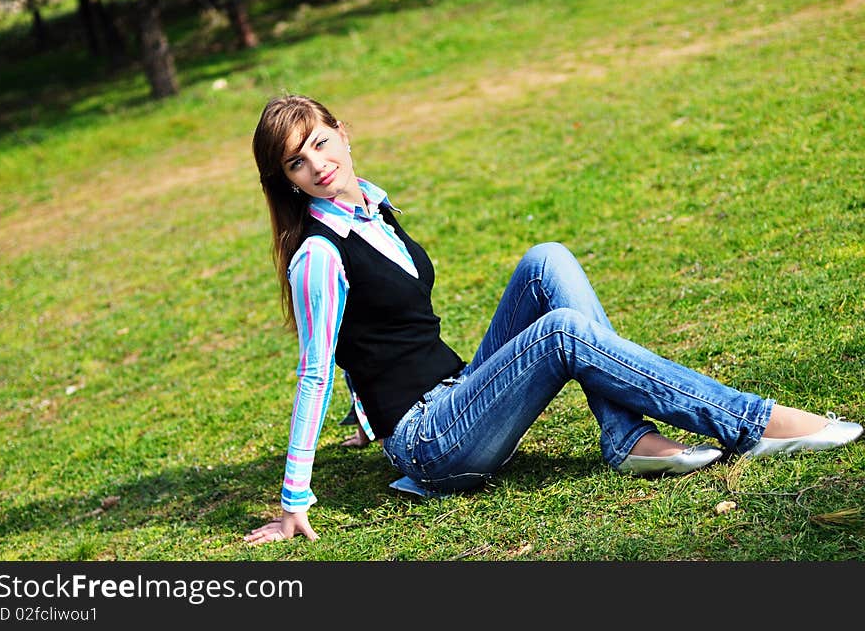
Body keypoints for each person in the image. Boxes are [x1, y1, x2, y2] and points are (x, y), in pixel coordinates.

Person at [244, 94, 862, 545]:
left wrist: (364, 410)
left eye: (320, 143)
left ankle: (625, 438)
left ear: (342, 132)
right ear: (289, 183)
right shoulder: (319, 255)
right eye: (297, 163)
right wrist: (295, 497)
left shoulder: (373, 206)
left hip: (457, 390)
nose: (318, 165)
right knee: (561, 332)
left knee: (548, 261)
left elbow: (372, 330)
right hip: (430, 440)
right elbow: (316, 367)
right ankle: (752, 422)